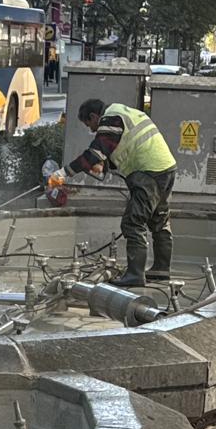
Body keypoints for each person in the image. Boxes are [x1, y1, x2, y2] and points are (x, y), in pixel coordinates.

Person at [67, 97, 178, 288]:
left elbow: (95, 154)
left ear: (94, 116)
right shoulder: (125, 112)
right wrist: (102, 166)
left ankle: (135, 275)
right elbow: (121, 147)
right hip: (166, 168)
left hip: (148, 173)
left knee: (132, 222)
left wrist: (64, 173)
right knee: (159, 219)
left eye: (90, 124)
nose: (92, 130)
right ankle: (161, 271)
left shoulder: (110, 119)